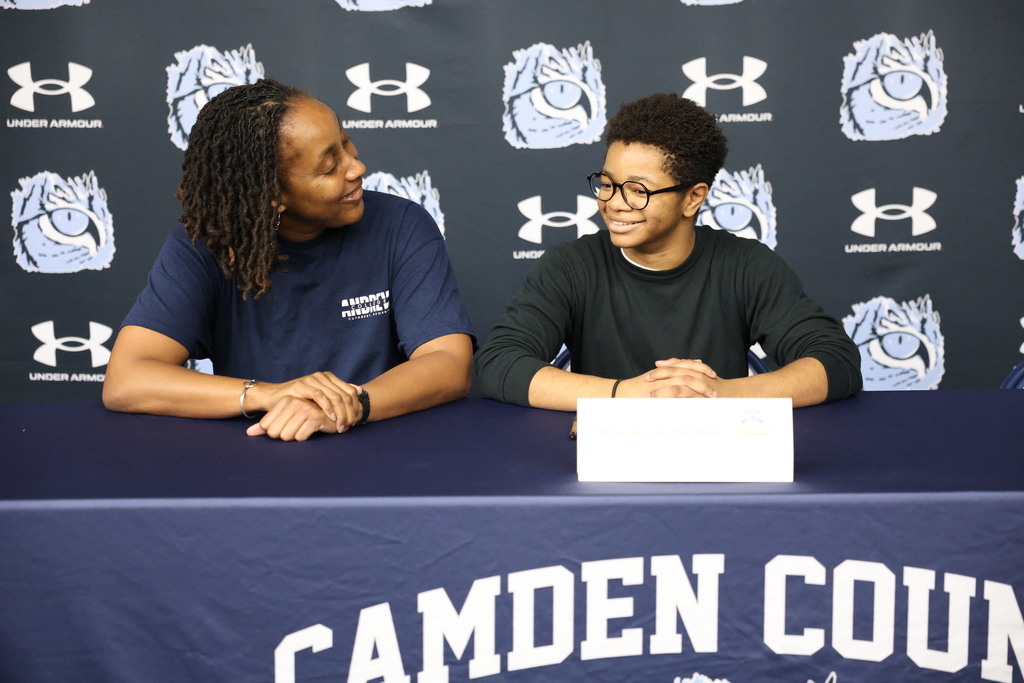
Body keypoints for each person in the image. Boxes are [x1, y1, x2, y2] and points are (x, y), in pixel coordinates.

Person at [103, 79, 475, 441]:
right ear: (272, 196)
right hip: (258, 449)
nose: (356, 167)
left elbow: (448, 361)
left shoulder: (401, 224)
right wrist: (271, 395)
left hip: (381, 444)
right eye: (329, 167)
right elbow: (126, 380)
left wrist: (349, 405)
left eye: (345, 143)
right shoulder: (206, 247)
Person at [476, 93, 861, 410]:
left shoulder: (746, 265)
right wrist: (627, 394)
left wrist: (719, 394)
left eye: (638, 190)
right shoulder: (570, 266)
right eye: (607, 183)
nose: (614, 203)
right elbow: (499, 363)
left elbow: (836, 361)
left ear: (692, 198)